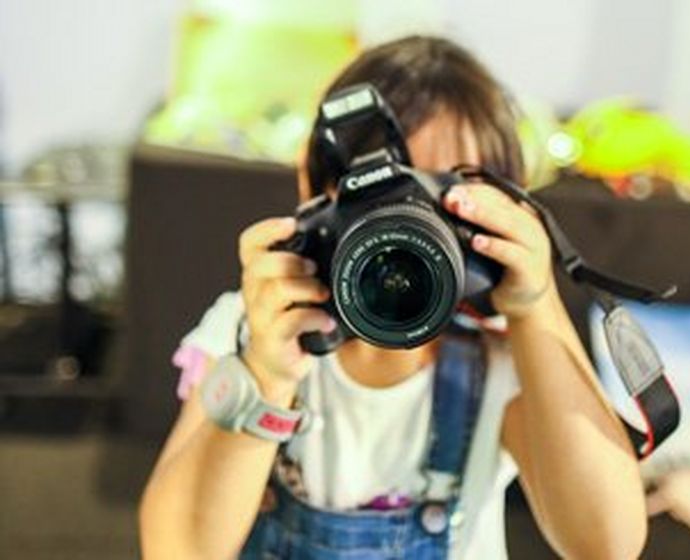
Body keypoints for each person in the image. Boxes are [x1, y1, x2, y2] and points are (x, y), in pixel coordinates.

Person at [139, 35, 649, 559]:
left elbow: (606, 545)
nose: (412, 224)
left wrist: (535, 306)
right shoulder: (256, 327)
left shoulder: (507, 352)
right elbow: (175, 551)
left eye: (444, 196)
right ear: (316, 189)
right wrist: (265, 375)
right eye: (383, 191)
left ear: (506, 207)